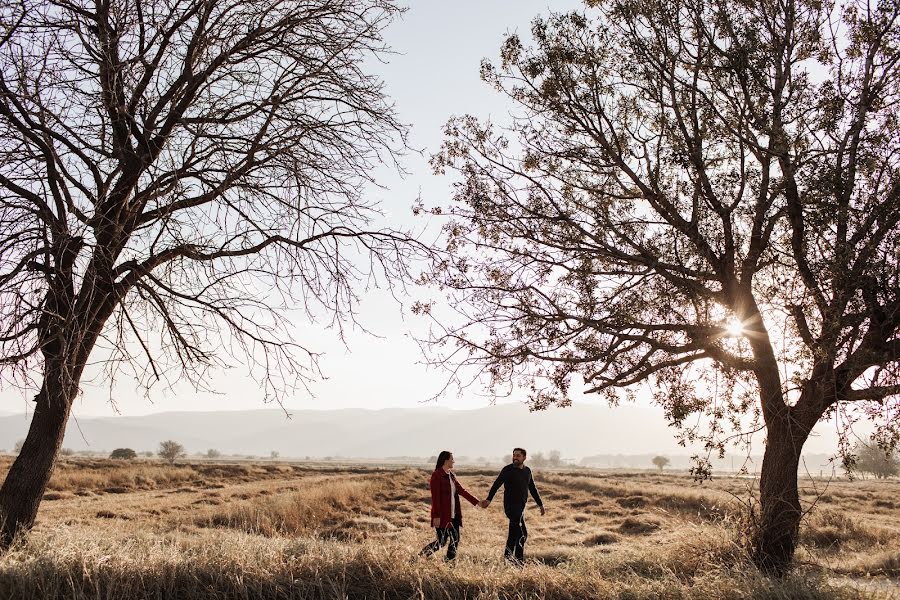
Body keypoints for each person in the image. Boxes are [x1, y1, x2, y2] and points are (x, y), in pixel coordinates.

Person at [480, 447, 545, 564]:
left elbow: (532, 488)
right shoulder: (507, 470)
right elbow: (496, 484)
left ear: (524, 457)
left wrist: (540, 504)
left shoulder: (527, 471)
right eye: (514, 455)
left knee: (518, 534)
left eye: (518, 456)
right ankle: (517, 562)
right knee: (520, 534)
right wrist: (489, 499)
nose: (515, 458)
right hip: (510, 507)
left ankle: (510, 560)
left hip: (521, 507)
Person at [420, 450, 481, 561]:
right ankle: (420, 557)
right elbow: (435, 498)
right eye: (452, 459)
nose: (454, 461)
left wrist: (477, 502)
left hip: (454, 515)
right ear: (446, 460)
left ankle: (449, 562)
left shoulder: (451, 476)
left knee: (455, 539)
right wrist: (436, 516)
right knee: (442, 542)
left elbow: (462, 491)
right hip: (442, 515)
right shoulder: (437, 475)